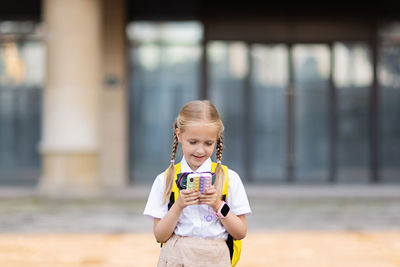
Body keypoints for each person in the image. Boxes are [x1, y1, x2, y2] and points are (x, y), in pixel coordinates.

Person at [144, 100, 251, 267]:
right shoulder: (165, 180)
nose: (200, 150)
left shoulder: (230, 179)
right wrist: (178, 206)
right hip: (177, 258)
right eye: (193, 142)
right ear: (179, 135)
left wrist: (217, 205)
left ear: (217, 139)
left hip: (216, 259)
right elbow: (160, 236)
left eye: (208, 143)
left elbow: (240, 232)